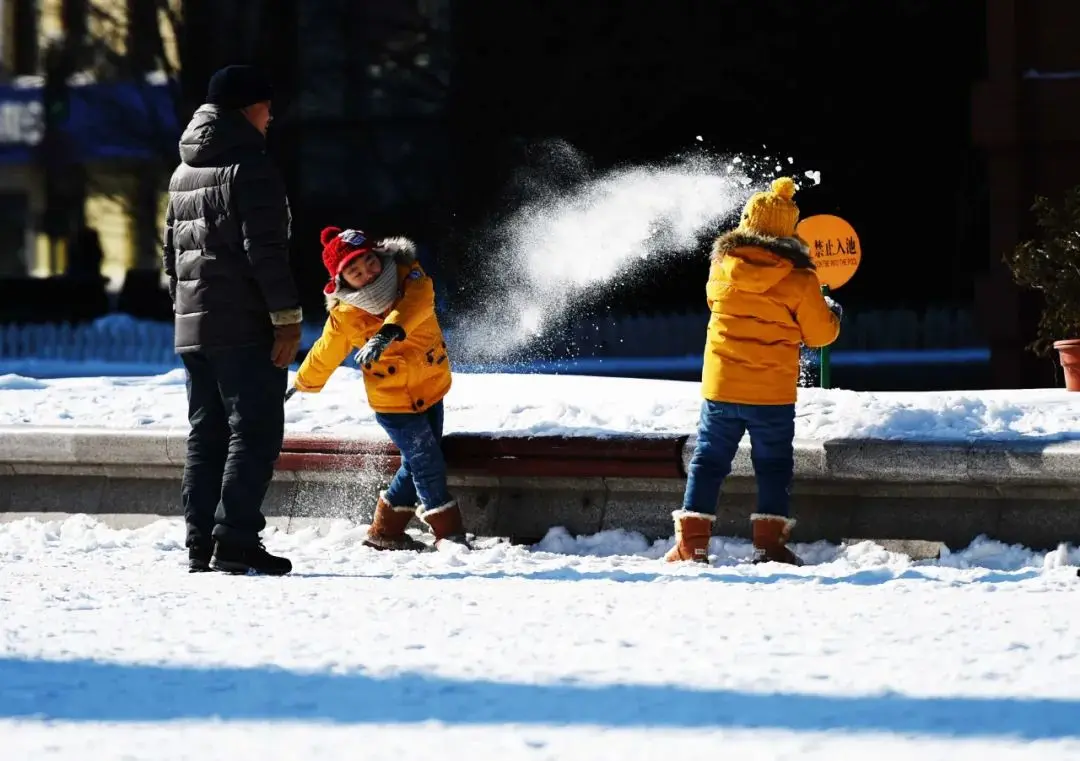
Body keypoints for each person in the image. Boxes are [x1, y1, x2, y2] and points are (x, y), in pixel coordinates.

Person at [163, 64, 301, 575]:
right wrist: (286, 320)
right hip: (243, 325)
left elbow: (169, 256)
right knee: (255, 431)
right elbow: (266, 252)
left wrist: (184, 315)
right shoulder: (251, 167)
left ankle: (201, 542)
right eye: (267, 106)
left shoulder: (183, 172)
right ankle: (237, 539)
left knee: (207, 433)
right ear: (247, 108)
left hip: (194, 326)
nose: (272, 117)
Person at [665, 177, 841, 566]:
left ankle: (691, 546)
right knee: (774, 465)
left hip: (722, 387)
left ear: (746, 222)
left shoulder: (721, 268)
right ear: (788, 231)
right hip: (771, 394)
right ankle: (769, 547)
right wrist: (832, 314)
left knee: (708, 461)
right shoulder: (799, 279)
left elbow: (719, 304)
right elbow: (818, 335)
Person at [289, 226, 470, 551]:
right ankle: (449, 534)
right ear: (343, 282)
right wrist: (303, 381)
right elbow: (325, 350)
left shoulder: (410, 278)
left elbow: (418, 304)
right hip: (393, 403)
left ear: (379, 254)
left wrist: (387, 333)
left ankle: (385, 531)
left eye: (369, 262)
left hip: (429, 386)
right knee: (426, 460)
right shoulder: (345, 314)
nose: (367, 272)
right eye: (355, 272)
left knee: (417, 461)